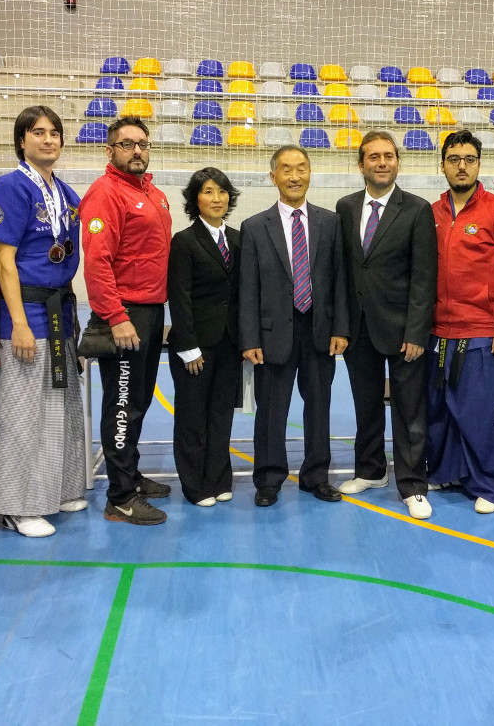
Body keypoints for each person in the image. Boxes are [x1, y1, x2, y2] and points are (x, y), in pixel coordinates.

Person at [0, 106, 87, 538]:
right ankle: (17, 506)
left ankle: (58, 489)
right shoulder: (9, 188)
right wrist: (19, 323)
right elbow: (3, 261)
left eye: (54, 133)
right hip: (25, 312)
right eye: (38, 132)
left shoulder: (68, 194)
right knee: (23, 411)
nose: (48, 140)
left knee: (61, 406)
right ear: (21, 141)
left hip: (60, 311)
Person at [426, 130, 494, 513]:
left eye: (469, 159)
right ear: (442, 165)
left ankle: (493, 486)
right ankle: (448, 472)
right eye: (454, 159)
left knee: (486, 414)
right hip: (440, 331)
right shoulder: (432, 213)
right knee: (443, 412)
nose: (462, 166)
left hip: (485, 332)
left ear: (479, 165)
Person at [240, 145, 349, 507]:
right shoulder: (255, 227)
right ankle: (268, 478)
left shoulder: (330, 222)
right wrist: (250, 338)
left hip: (319, 331)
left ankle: (316, 476)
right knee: (272, 410)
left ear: (310, 173)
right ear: (273, 177)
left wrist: (341, 328)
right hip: (273, 333)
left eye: (301, 168)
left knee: (319, 407)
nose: (294, 176)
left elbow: (339, 280)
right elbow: (248, 289)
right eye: (286, 169)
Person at [336, 130, 437, 519]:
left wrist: (416, 332)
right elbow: (345, 271)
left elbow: (424, 277)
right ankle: (370, 471)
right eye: (374, 156)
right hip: (359, 327)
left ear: (398, 162)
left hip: (402, 329)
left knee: (410, 411)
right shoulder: (345, 207)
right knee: (366, 405)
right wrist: (342, 326)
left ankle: (412, 485)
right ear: (360, 164)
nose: (382, 162)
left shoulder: (417, 209)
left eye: (388, 156)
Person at [79, 115, 172, 526]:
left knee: (139, 401)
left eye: (142, 144)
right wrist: (116, 317)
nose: (137, 150)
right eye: (127, 144)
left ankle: (129, 475)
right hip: (124, 314)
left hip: (151, 311)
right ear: (110, 150)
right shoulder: (105, 193)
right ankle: (119, 498)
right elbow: (97, 263)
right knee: (122, 406)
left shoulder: (152, 193)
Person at [167, 167, 242, 507]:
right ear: (195, 199)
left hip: (229, 344)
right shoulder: (184, 241)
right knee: (192, 417)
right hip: (195, 347)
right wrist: (188, 347)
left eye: (222, 191)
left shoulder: (238, 239)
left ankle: (219, 479)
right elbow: (179, 297)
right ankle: (195, 485)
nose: (217, 198)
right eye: (208, 191)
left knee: (221, 414)